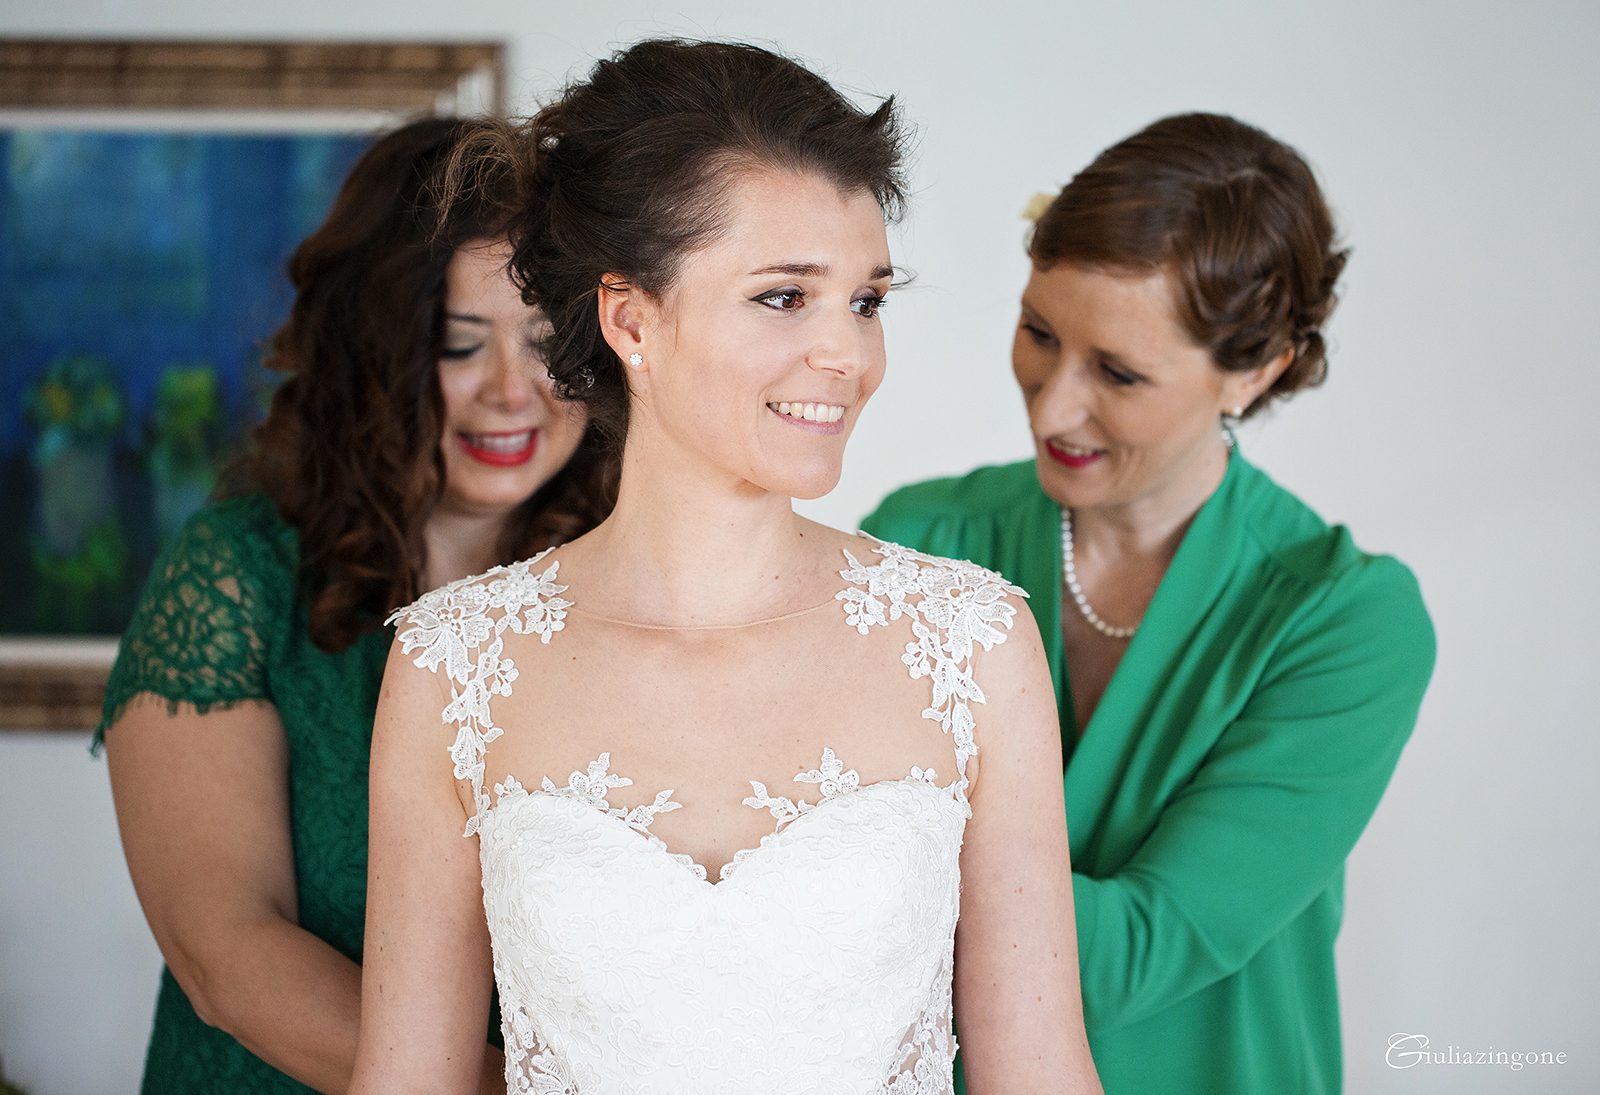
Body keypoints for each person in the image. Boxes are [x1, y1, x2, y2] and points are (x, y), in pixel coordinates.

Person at [351, 40, 1103, 1095]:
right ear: (630, 318)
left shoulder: (971, 643)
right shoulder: (452, 663)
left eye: (866, 300)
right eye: (785, 298)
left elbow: (1041, 1075)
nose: (848, 355)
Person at [863, 112, 1435, 1094]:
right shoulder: (922, 538)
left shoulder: (1344, 619)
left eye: (1119, 375)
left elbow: (1140, 957)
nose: (1050, 406)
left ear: (1253, 374)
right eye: (1039, 333)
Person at [99, 117, 613, 1095]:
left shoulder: (619, 581)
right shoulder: (234, 574)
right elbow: (227, 957)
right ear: (371, 355)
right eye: (461, 346)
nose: (514, 392)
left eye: (549, 345)